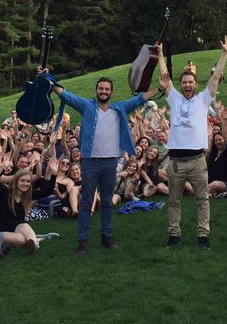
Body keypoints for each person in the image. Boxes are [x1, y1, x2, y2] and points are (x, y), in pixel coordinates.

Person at [51, 68, 162, 254]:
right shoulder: (87, 106)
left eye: (107, 89)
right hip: (90, 163)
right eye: (101, 89)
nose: (103, 91)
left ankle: (106, 237)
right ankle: (82, 241)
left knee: (107, 202)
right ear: (97, 91)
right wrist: (50, 83)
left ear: (111, 92)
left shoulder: (119, 108)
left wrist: (159, 88)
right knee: (86, 202)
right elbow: (68, 96)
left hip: (110, 163)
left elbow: (140, 99)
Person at [158, 36, 227, 248]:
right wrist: (160, 55)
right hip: (175, 161)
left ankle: (203, 236)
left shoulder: (203, 98)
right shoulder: (173, 98)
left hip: (197, 159)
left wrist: (225, 53)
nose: (187, 85)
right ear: (181, 85)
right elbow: (164, 76)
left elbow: (216, 76)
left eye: (190, 82)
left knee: (202, 199)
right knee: (174, 201)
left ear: (195, 83)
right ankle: (174, 234)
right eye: (184, 82)